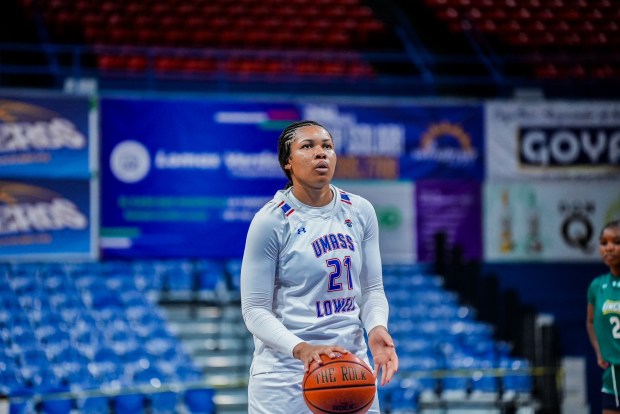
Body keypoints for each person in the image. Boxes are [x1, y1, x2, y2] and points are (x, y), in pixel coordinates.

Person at [240, 120, 399, 413]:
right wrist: (303, 349)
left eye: (327, 146)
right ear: (288, 162)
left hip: (351, 370)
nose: (320, 153)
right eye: (308, 146)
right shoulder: (271, 221)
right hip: (285, 374)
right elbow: (254, 311)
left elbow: (373, 289)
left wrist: (377, 328)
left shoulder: (360, 211)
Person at [587, 220, 620, 413]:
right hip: (614, 375)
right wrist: (599, 350)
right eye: (604, 242)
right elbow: (590, 321)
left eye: (616, 242)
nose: (609, 248)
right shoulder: (597, 286)